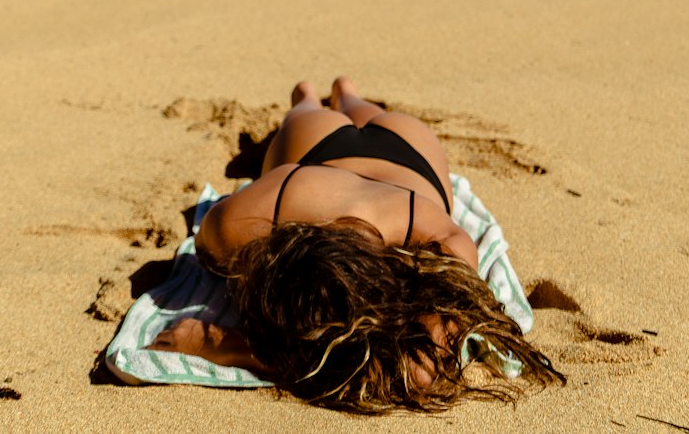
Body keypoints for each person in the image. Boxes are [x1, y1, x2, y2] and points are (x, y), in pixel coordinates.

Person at [150, 76, 563, 411]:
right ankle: (339, 93)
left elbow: (413, 373)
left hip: (334, 154)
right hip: (405, 148)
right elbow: (420, 369)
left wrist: (231, 347)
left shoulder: (252, 217)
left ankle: (313, 96)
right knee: (344, 107)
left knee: (306, 114)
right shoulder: (442, 256)